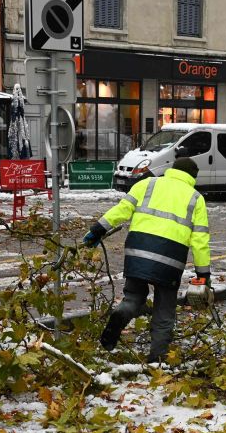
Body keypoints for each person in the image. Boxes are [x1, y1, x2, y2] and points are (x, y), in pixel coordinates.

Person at [83, 155, 210, 362]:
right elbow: (200, 241)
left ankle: (121, 313)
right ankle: (157, 361)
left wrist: (97, 229)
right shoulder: (196, 198)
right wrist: (203, 274)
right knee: (164, 313)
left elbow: (121, 210)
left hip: (137, 254)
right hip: (170, 262)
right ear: (192, 177)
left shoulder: (147, 184)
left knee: (133, 298)